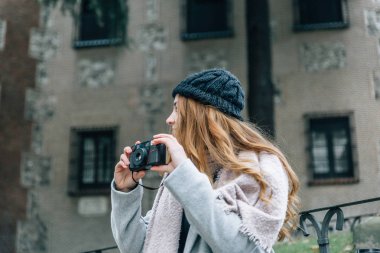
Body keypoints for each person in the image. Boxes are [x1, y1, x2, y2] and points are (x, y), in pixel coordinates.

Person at [111, 69, 299, 253]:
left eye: (177, 108)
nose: (169, 119)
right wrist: (125, 191)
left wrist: (184, 175)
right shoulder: (185, 173)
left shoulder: (259, 167)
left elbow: (243, 247)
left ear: (201, 115)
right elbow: (137, 247)